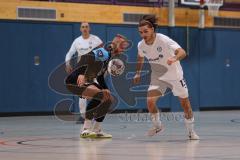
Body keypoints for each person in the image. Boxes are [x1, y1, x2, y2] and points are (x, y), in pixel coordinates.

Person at [133, 15, 199, 140]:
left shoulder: (164, 40)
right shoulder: (141, 45)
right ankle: (158, 126)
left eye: (145, 31)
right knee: (150, 102)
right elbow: (140, 57)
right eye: (140, 32)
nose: (143, 35)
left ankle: (191, 132)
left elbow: (182, 52)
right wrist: (137, 73)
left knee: (185, 105)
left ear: (152, 29)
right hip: (158, 77)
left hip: (174, 75)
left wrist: (174, 58)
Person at [65, 34, 130, 138]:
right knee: (99, 95)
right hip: (74, 80)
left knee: (108, 99)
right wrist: (82, 73)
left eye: (125, 47)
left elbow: (99, 76)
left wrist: (105, 88)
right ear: (115, 44)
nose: (123, 49)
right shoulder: (104, 52)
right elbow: (86, 57)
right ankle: (85, 129)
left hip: (87, 81)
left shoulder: (109, 59)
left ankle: (97, 129)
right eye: (122, 46)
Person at [65, 22, 103, 124]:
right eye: (83, 27)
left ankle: (95, 114)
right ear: (80, 29)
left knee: (98, 91)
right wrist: (67, 63)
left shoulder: (96, 40)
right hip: (81, 71)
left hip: (93, 70)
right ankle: (83, 116)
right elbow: (70, 53)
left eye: (86, 27)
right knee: (82, 94)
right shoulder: (77, 41)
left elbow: (102, 51)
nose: (85, 28)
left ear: (89, 28)